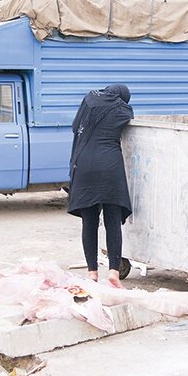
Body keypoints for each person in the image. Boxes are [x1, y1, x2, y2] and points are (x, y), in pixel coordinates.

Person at [67, 84, 133, 289]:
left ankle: (92, 272)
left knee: (90, 221)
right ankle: (113, 272)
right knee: (112, 220)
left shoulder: (88, 100)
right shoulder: (124, 110)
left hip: (85, 163)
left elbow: (75, 126)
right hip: (110, 166)